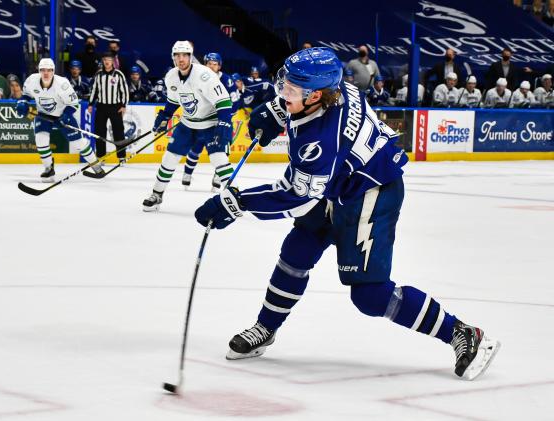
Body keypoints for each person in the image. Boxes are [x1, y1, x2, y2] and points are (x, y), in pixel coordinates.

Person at [193, 47, 500, 381]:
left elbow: (295, 196)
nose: (285, 92)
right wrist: (274, 111)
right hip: (337, 184)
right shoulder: (338, 88)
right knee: (296, 253)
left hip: (370, 192)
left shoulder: (320, 141)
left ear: (318, 96)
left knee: (370, 295)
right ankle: (265, 329)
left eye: (293, 92)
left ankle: (462, 332)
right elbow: (295, 111)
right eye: (285, 84)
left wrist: (236, 202)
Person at [142, 41, 234, 211]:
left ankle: (234, 199)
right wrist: (165, 115)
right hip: (187, 123)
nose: (181, 59)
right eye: (177, 55)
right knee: (169, 158)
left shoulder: (205, 75)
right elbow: (173, 100)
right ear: (173, 57)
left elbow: (224, 101)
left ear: (191, 57)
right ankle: (157, 194)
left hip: (210, 123)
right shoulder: (171, 76)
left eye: (185, 55)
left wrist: (224, 122)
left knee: (219, 159)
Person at [15, 58, 104, 181]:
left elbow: (74, 104)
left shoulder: (62, 84)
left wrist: (66, 116)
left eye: (49, 70)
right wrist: (22, 102)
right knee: (41, 140)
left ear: (53, 71)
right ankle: (48, 168)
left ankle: (96, 165)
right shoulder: (31, 80)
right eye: (43, 70)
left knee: (78, 143)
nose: (46, 73)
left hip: (63, 115)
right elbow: (26, 94)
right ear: (39, 71)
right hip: (43, 115)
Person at [181, 52, 239, 189]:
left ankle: (218, 176)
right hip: (202, 120)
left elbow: (235, 101)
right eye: (209, 64)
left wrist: (225, 116)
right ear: (205, 64)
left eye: (215, 64)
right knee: (196, 147)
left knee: (223, 148)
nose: (212, 66)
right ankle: (187, 174)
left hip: (221, 120)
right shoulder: (198, 77)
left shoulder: (226, 80)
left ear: (219, 66)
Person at [88, 53, 129, 162]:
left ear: (112, 61)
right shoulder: (98, 74)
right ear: (103, 60)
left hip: (115, 107)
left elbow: (124, 91)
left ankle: (121, 157)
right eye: (105, 59)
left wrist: (124, 105)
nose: (107, 62)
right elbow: (94, 90)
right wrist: (91, 104)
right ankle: (101, 157)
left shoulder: (119, 74)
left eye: (109, 60)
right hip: (101, 107)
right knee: (99, 132)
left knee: (118, 132)